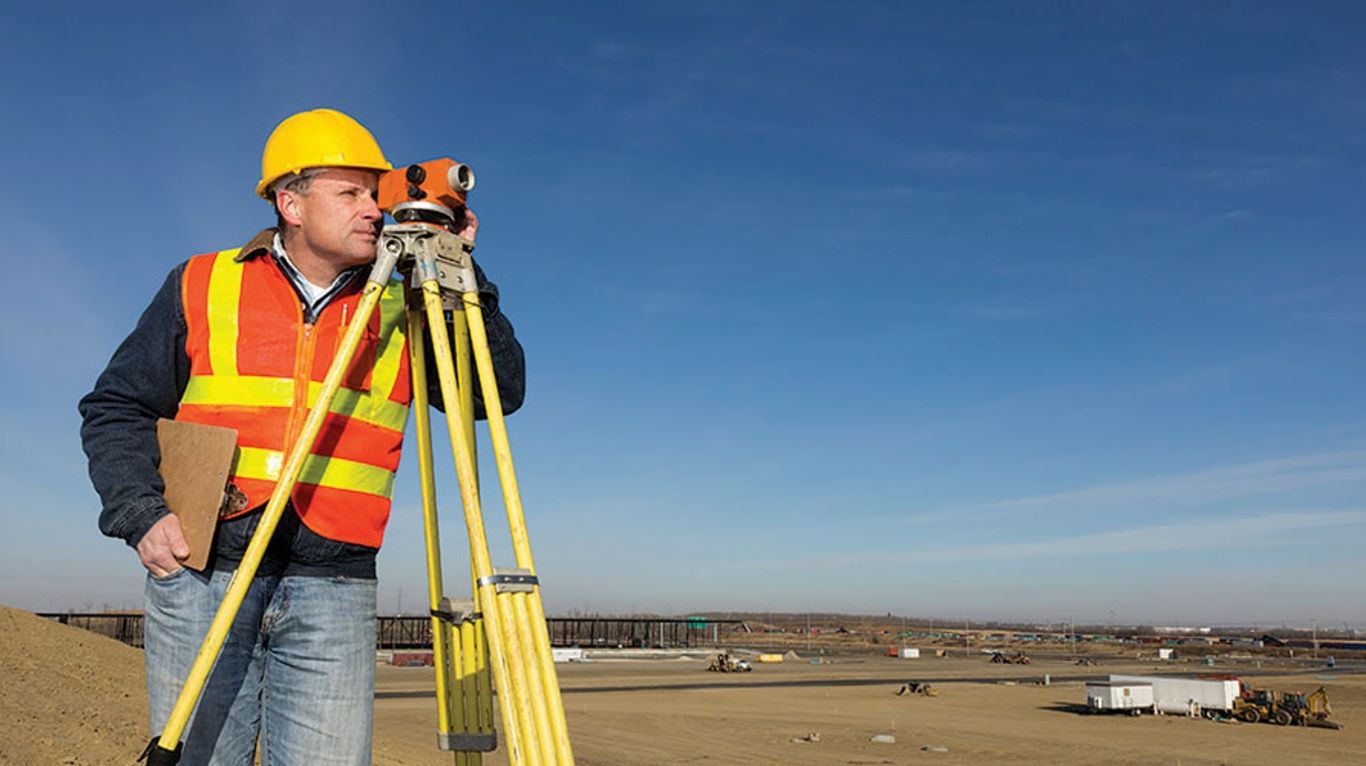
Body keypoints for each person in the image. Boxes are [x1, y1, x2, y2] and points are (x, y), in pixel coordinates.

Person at [79, 108, 525, 765]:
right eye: (350, 193)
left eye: (376, 194)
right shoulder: (205, 282)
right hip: (204, 574)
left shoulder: (409, 300)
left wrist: (461, 274)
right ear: (290, 202)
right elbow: (116, 405)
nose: (373, 209)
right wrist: (140, 514)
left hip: (335, 588)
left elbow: (495, 394)